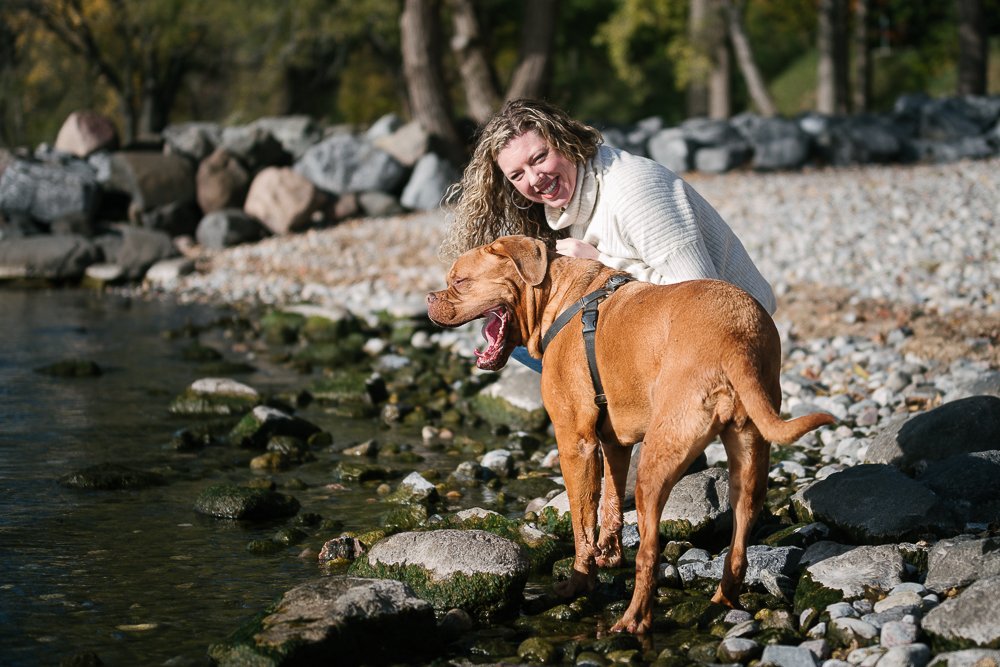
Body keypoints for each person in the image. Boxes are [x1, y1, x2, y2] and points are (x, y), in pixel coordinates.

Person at [440, 98, 776, 372]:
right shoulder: (562, 204)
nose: (535, 178)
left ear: (564, 141)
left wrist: (601, 263)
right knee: (523, 336)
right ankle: (610, 428)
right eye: (517, 175)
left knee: (555, 343)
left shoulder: (635, 191)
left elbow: (703, 298)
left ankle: (644, 430)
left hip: (737, 338)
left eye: (539, 157)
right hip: (670, 330)